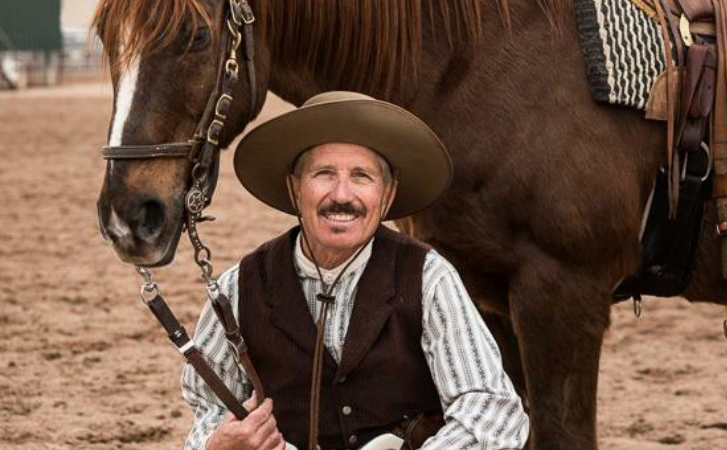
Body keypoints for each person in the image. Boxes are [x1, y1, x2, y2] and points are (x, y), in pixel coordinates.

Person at [182, 91, 529, 450]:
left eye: (361, 176)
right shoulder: (240, 287)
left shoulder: (428, 277)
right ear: (295, 188)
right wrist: (216, 444)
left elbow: (491, 407)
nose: (342, 194)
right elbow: (207, 404)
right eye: (324, 174)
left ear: (388, 194)